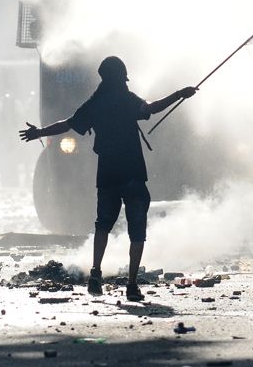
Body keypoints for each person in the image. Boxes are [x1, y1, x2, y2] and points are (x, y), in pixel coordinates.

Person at [19, 55, 196, 299]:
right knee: (137, 230)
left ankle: (95, 274)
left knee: (102, 224)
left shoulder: (96, 102)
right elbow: (151, 108)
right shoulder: (126, 99)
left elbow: (68, 124)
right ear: (121, 78)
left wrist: (39, 131)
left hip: (108, 174)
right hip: (132, 173)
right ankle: (132, 285)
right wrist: (180, 94)